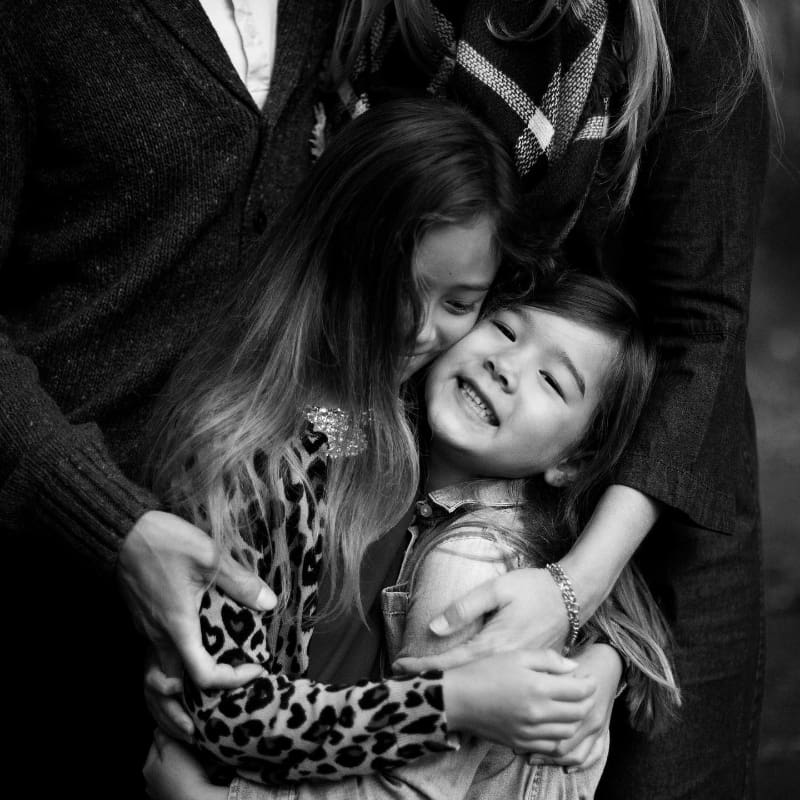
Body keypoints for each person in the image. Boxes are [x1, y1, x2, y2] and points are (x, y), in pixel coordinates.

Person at [314, 2, 769, 796]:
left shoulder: (689, 28)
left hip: (645, 482)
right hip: (410, 439)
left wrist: (582, 607)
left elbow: (702, 328)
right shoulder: (375, 17)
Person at [143, 272, 682, 800]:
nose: (507, 366)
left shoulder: (469, 564)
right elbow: (289, 423)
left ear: (573, 460)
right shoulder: (388, 446)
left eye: (551, 381)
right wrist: (192, 663)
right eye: (507, 330)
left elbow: (413, 791)